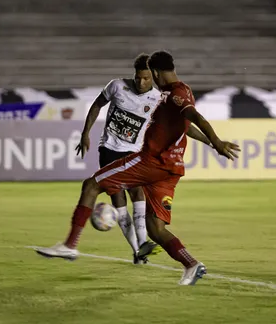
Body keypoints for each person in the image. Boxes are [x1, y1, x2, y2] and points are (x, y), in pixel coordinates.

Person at [36, 51, 240, 286]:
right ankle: (191, 264)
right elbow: (185, 126)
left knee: (91, 185)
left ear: (154, 73)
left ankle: (70, 246)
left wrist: (216, 142)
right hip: (170, 171)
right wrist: (211, 143)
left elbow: (197, 118)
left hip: (152, 162)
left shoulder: (175, 94)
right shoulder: (178, 92)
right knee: (156, 228)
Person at [75, 53, 162, 264]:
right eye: (138, 77)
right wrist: (85, 133)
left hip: (134, 151)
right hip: (109, 150)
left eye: (146, 79)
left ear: (154, 77)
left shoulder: (158, 99)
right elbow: (97, 105)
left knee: (138, 192)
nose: (141, 82)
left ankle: (143, 243)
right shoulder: (116, 86)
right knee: (119, 199)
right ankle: (138, 250)